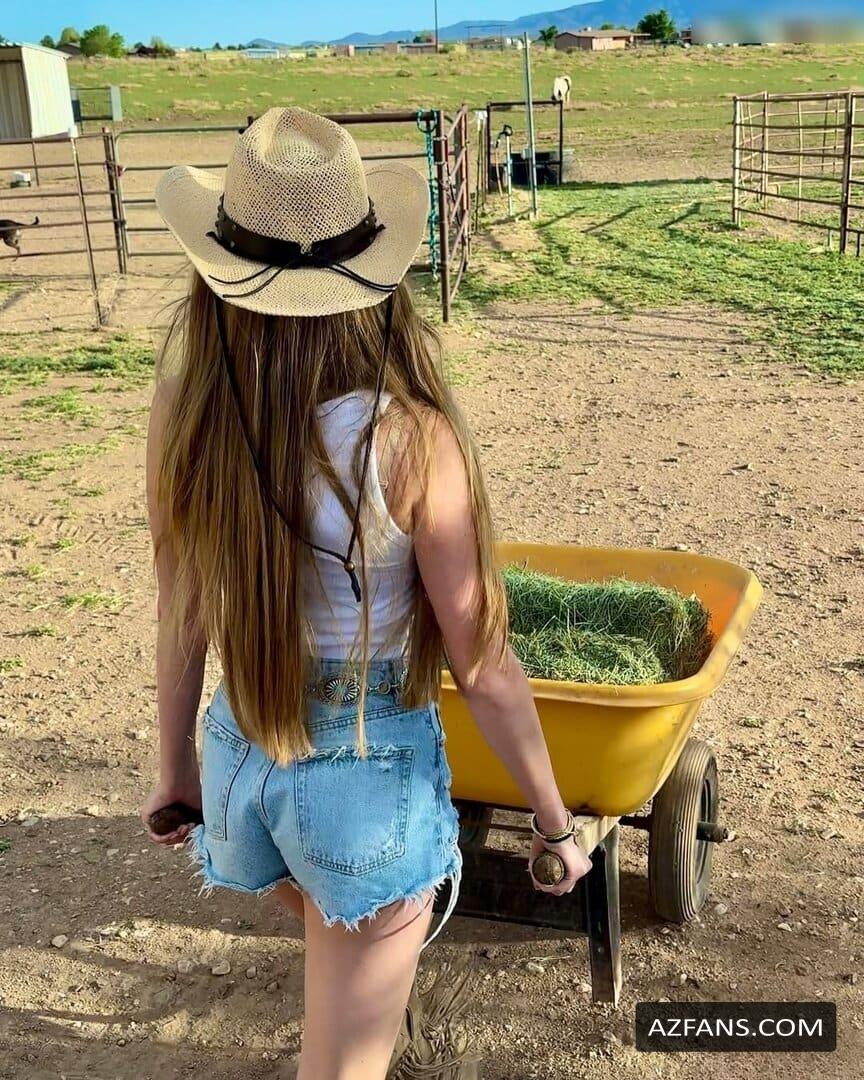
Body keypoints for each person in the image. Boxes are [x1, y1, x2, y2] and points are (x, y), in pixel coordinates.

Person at [141, 107, 591, 1080]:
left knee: (326, 941)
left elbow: (182, 615)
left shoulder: (186, 412)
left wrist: (175, 771)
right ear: (369, 279)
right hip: (363, 771)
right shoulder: (410, 437)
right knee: (342, 1068)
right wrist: (556, 822)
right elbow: (482, 662)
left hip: (241, 761)